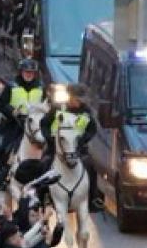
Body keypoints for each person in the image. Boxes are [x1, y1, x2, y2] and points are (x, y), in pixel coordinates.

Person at [42, 84, 103, 214]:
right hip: (56, 148)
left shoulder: (86, 112)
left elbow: (92, 129)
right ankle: (43, 196)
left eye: (80, 99)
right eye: (76, 98)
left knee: (90, 167)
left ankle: (93, 198)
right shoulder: (58, 108)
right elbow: (44, 123)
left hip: (77, 149)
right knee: (44, 164)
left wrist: (83, 140)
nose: (78, 102)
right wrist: (50, 139)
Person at [0, 59, 45, 153]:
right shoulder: (12, 86)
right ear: (21, 72)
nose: (29, 74)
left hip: (35, 124)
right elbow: (0, 104)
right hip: (15, 123)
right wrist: (12, 111)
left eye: (31, 72)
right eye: (26, 72)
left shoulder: (41, 88)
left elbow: (46, 105)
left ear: (35, 74)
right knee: (6, 149)